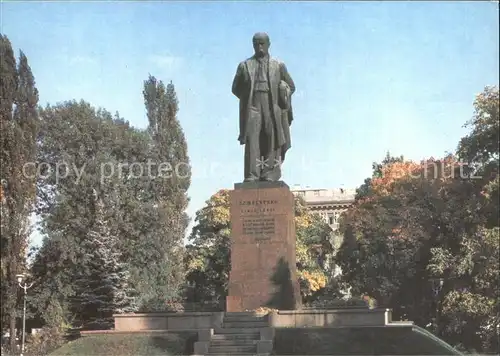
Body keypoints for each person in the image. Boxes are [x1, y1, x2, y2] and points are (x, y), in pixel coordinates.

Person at [232, 32, 295, 182]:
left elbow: (291, 86)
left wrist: (283, 91)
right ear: (253, 45)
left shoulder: (278, 65)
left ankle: (269, 173)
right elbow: (235, 88)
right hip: (253, 105)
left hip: (272, 105)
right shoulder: (245, 65)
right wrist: (247, 96)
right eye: (256, 44)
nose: (259, 47)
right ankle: (251, 175)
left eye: (262, 43)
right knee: (252, 139)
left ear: (268, 44)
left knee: (271, 138)